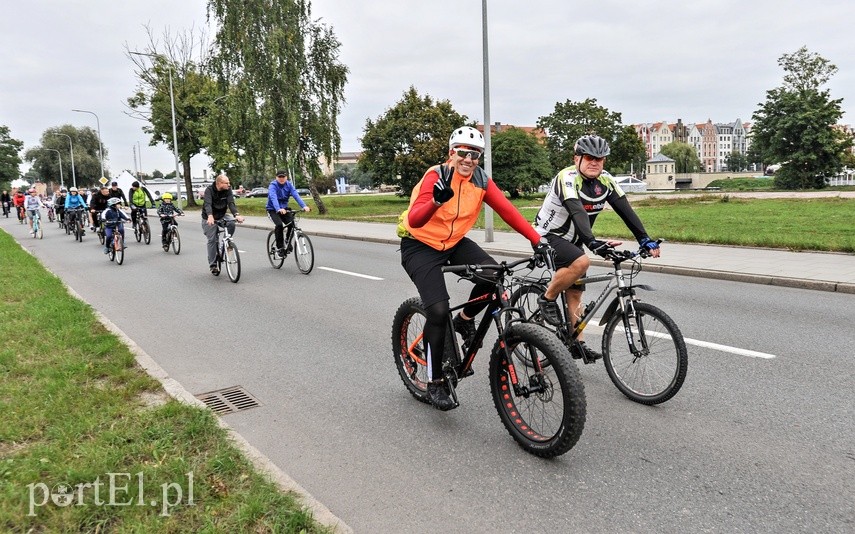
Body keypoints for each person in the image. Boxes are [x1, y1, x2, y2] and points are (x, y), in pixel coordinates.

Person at [397, 126, 551, 411]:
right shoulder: (436, 176)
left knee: (494, 276)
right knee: (439, 311)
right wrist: (435, 201)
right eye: (464, 153)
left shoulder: (480, 180)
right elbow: (416, 220)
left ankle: (465, 319)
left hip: (453, 242)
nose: (469, 159)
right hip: (420, 245)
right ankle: (435, 381)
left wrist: (537, 241)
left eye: (476, 155)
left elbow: (507, 210)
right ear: (451, 153)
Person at [532, 134, 661, 361]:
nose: (595, 162)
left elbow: (625, 210)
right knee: (582, 261)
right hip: (548, 235)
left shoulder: (607, 180)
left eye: (600, 159)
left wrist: (644, 239)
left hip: (576, 238)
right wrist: (592, 243)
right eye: (590, 157)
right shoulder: (567, 178)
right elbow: (577, 211)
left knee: (576, 291)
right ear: (577, 158)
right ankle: (547, 297)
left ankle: (576, 344)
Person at [201, 174, 244, 275]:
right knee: (212, 240)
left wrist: (236, 214)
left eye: (229, 183)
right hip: (208, 217)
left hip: (221, 215)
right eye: (227, 183)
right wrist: (210, 216)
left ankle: (225, 243)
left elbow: (231, 203)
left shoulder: (227, 190)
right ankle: (213, 265)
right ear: (219, 183)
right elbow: (207, 204)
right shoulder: (209, 190)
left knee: (231, 223)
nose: (229, 185)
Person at [266, 170, 310, 257]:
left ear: (286, 177)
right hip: (273, 210)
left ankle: (287, 240)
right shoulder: (273, 186)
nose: (282, 179)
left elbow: (296, 195)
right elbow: (273, 197)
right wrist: (278, 208)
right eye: (280, 177)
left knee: (292, 224)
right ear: (276, 178)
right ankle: (280, 247)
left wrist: (304, 206)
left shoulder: (289, 185)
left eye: (283, 177)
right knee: (279, 225)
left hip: (284, 209)